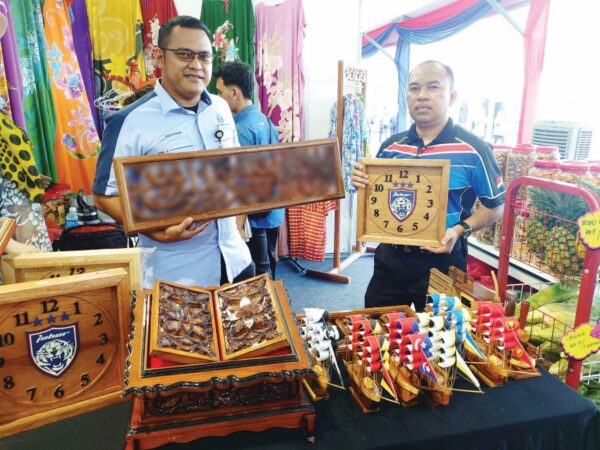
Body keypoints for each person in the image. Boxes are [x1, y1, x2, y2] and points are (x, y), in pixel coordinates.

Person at [93, 16, 253, 289]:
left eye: (204, 56)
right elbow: (104, 196)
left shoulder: (221, 108)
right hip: (177, 274)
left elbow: (235, 169)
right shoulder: (129, 121)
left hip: (236, 261)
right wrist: (156, 231)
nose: (196, 65)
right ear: (160, 57)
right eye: (184, 54)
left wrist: (239, 222)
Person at [352, 60, 505, 310]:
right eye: (414, 88)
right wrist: (362, 182)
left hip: (442, 262)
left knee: (438, 331)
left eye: (433, 87)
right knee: (378, 326)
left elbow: (496, 207)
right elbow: (377, 199)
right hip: (391, 258)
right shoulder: (391, 147)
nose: (422, 95)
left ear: (452, 96)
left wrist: (459, 230)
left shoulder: (474, 150)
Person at [214, 61, 283, 279]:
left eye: (220, 92)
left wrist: (238, 224)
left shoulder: (240, 130)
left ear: (234, 92)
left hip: (252, 216)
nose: (218, 97)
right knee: (269, 265)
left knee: (257, 274)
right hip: (273, 208)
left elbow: (240, 182)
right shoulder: (265, 121)